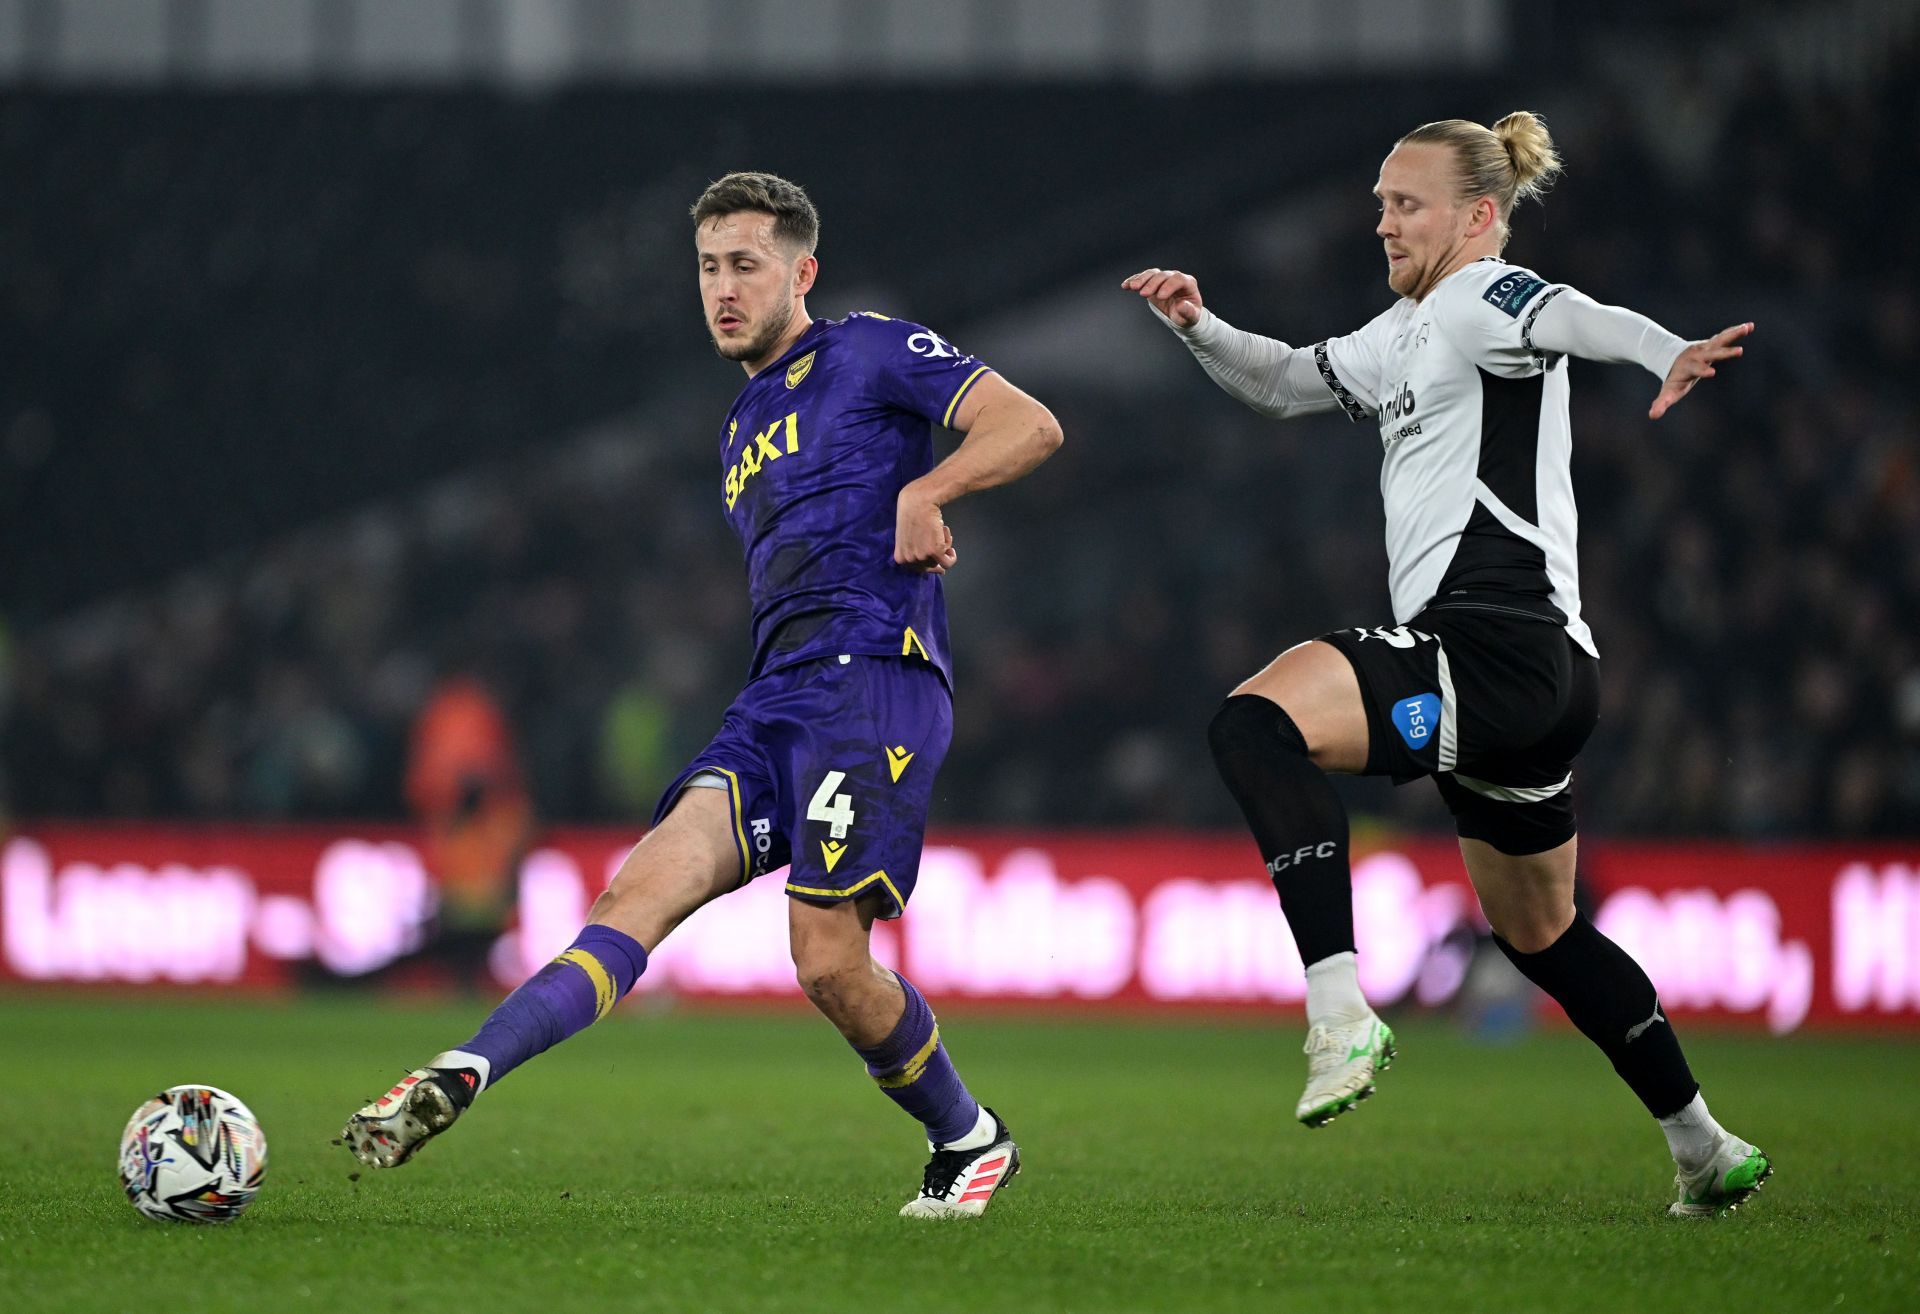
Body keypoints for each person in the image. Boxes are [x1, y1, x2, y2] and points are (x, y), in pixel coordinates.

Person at [344, 172, 1063, 1219]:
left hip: (873, 685)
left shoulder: (869, 349)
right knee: (631, 897)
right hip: (774, 699)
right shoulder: (739, 424)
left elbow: (1030, 424)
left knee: (825, 961)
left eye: (746, 266)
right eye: (709, 267)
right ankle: (461, 1071)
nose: (722, 288)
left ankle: (967, 1136)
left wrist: (927, 489)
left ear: (801, 272)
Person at [1124, 113, 1770, 1217]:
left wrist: (1667, 351)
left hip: (1494, 646)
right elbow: (1287, 381)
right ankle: (1704, 1147)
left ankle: (1339, 1012)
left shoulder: (1482, 295)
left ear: (1478, 216)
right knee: (1543, 933)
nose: (1382, 219)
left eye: (1405, 202)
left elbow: (1568, 313)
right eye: (1379, 200)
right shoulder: (1405, 329)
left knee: (1254, 723)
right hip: (1539, 685)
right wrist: (1199, 325)